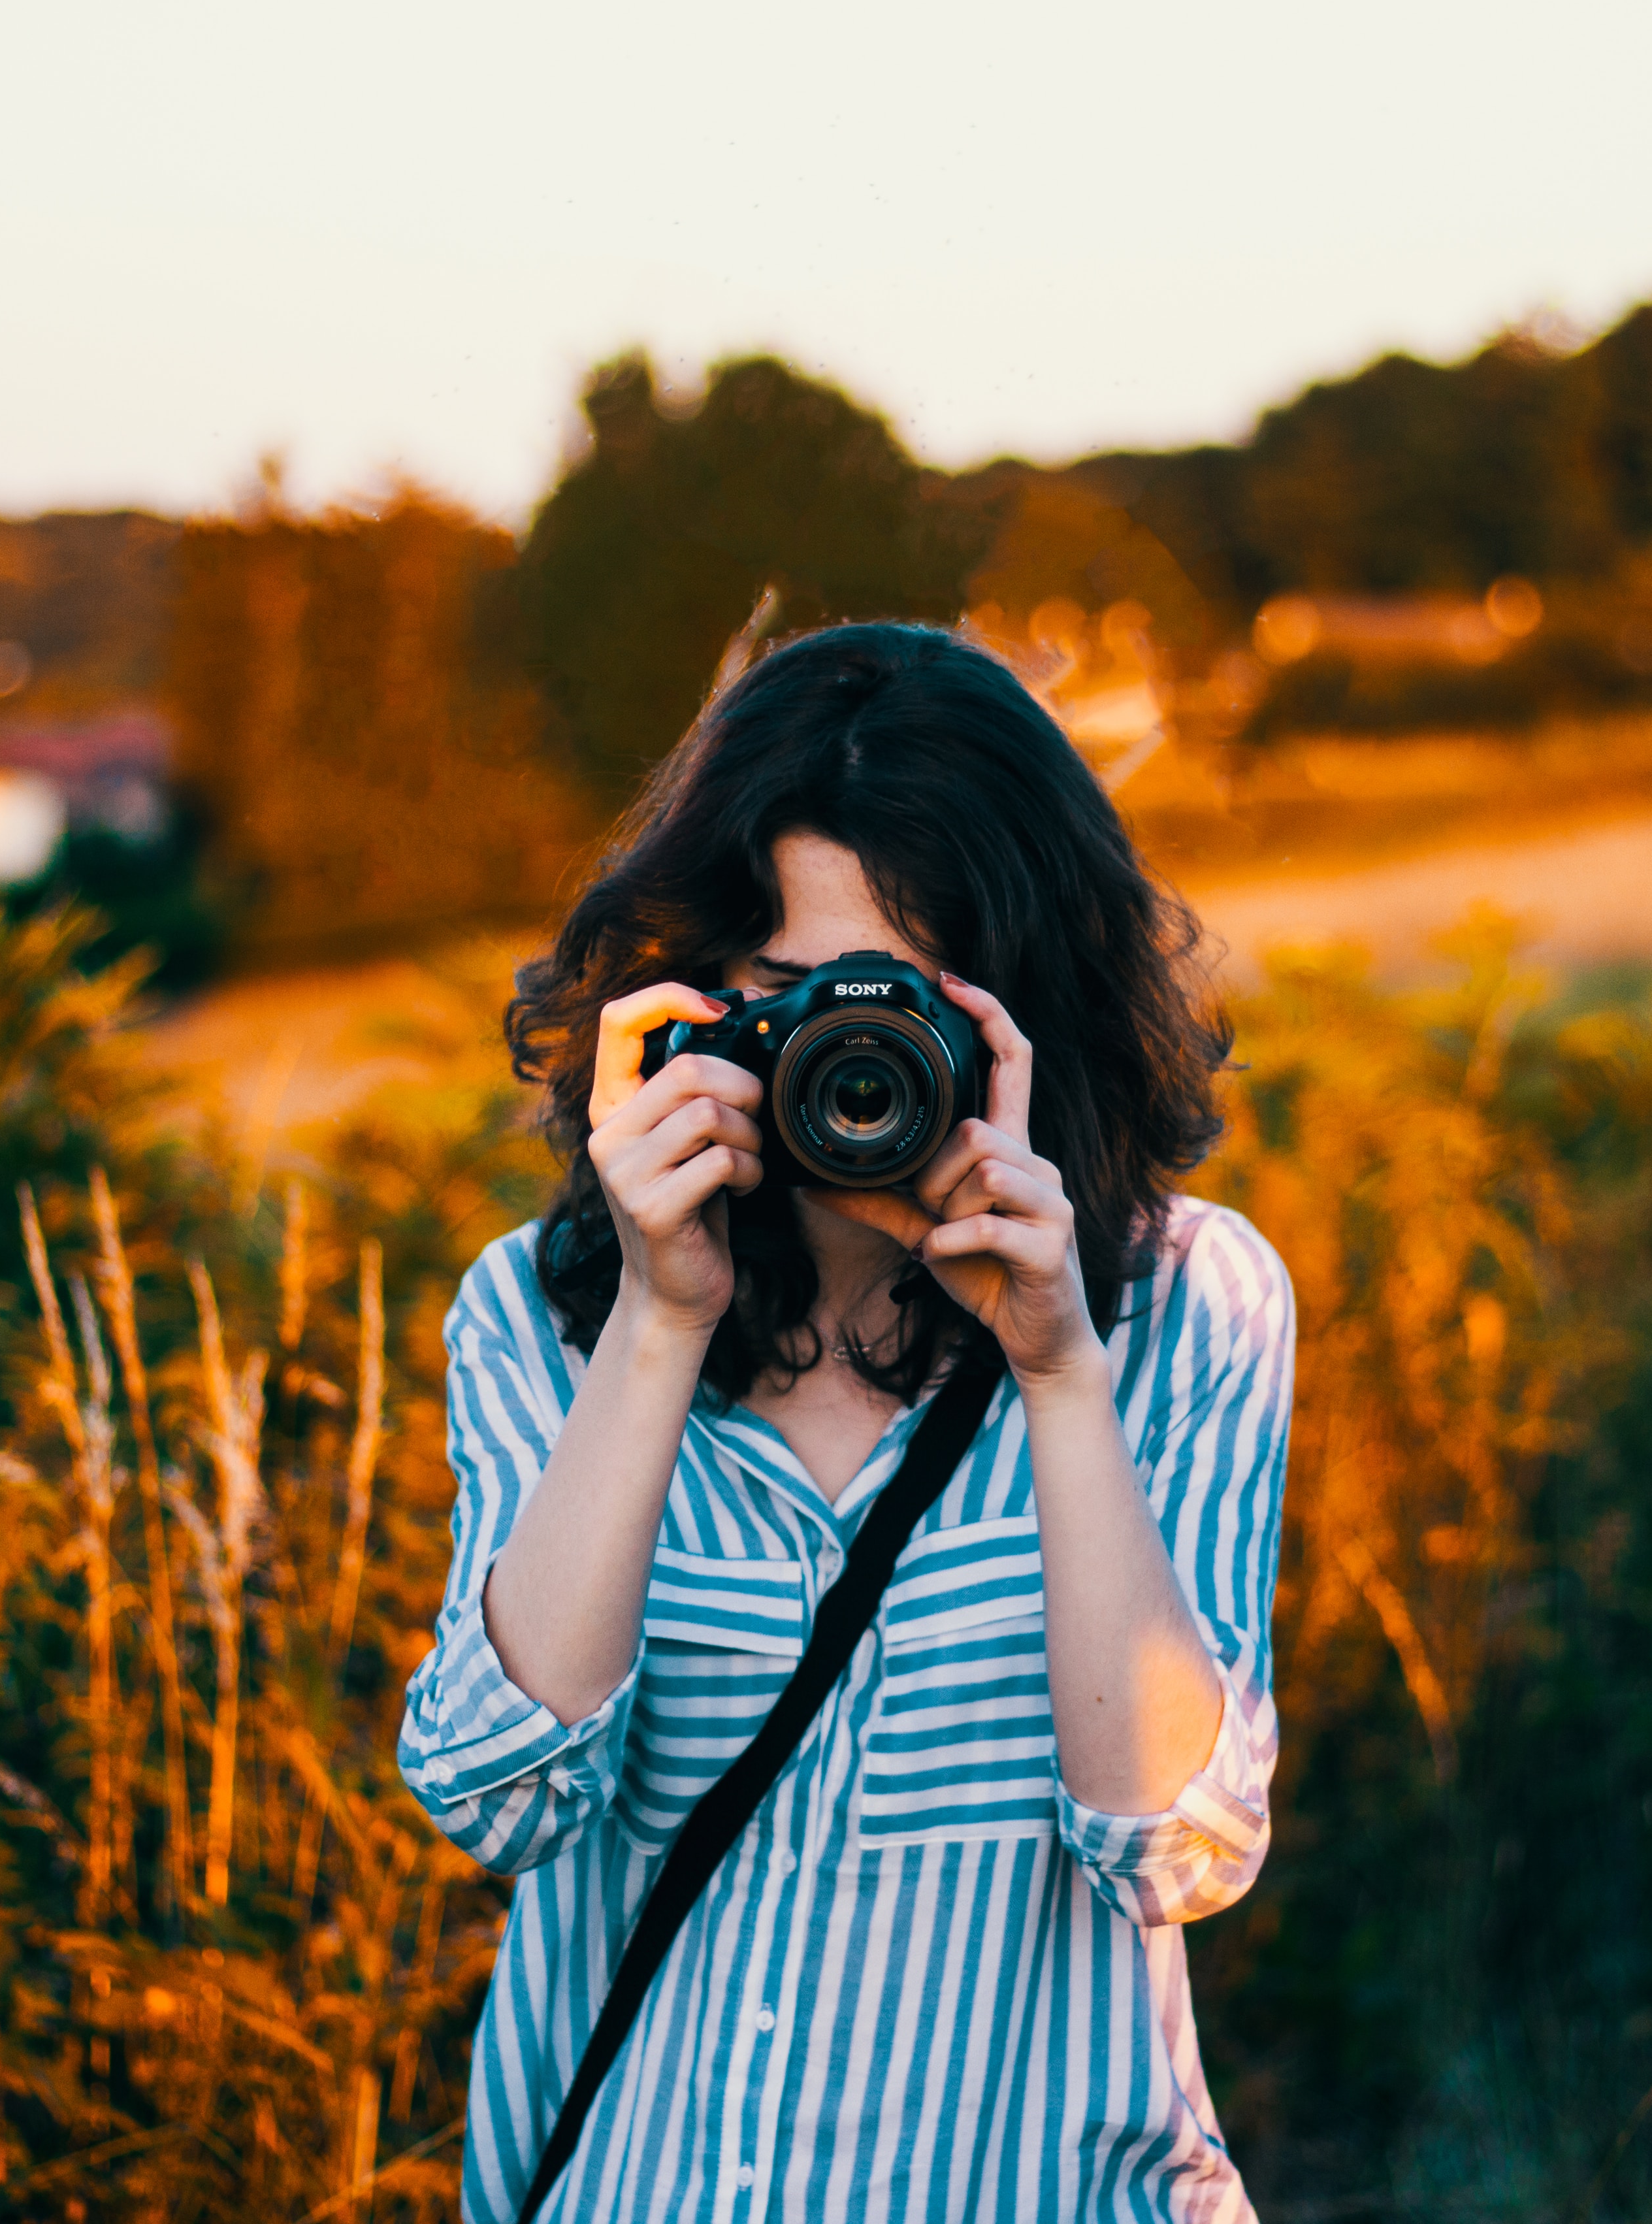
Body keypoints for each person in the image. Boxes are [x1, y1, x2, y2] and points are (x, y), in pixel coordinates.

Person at [400, 621, 1295, 2221]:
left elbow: (1177, 1854)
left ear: (1027, 1014)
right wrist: (662, 1319)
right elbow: (496, 1795)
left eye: (909, 1005)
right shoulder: (542, 1321)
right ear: (681, 1003)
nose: (850, 1062)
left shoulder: (1184, 1311)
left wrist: (1060, 1374)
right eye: (788, 999)